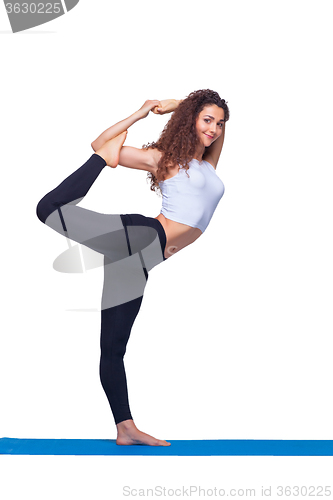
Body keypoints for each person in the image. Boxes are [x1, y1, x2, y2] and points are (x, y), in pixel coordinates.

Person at [36, 89, 230, 446]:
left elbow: (224, 123)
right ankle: (99, 166)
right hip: (143, 237)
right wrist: (141, 113)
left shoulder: (208, 163)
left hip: (141, 261)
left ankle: (125, 428)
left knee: (113, 348)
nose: (214, 129)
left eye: (219, 124)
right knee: (49, 209)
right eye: (207, 120)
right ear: (191, 121)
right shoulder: (166, 159)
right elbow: (100, 142)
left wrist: (181, 103)